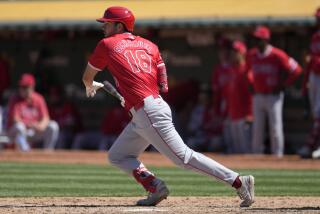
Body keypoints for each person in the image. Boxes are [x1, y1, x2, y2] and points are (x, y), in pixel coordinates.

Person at [82, 6, 254, 207]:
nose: (103, 27)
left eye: (107, 23)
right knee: (118, 155)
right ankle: (155, 186)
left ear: (120, 26)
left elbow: (87, 77)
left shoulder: (107, 44)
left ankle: (239, 181)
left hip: (146, 111)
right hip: (149, 107)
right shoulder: (150, 45)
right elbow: (162, 83)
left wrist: (90, 84)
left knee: (184, 158)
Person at [247, 26, 302, 157]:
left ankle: (278, 156)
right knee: (257, 128)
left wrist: (284, 84)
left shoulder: (277, 54)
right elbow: (247, 71)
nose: (256, 41)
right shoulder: (252, 54)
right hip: (258, 95)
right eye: (255, 39)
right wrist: (250, 83)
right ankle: (256, 155)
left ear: (266, 40)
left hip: (273, 96)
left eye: (259, 39)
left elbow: (297, 70)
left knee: (275, 127)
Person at [7, 73, 59, 151]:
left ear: (32, 87)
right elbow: (15, 119)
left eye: (25, 87)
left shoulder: (39, 98)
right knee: (20, 127)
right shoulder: (14, 99)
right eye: (21, 87)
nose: (22, 89)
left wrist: (40, 126)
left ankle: (48, 152)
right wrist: (30, 124)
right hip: (18, 131)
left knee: (53, 126)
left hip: (34, 130)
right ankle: (25, 152)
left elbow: (45, 118)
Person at [300, 8, 320, 159]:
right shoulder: (315, 37)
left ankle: (314, 145)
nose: (317, 20)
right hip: (314, 76)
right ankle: (313, 145)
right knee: (316, 114)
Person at [227, 40, 253, 153]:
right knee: (236, 152)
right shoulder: (232, 70)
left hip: (244, 117)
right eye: (232, 51)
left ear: (242, 53)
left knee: (246, 150)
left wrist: (250, 114)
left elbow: (252, 94)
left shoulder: (247, 71)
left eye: (236, 51)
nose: (233, 54)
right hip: (234, 115)